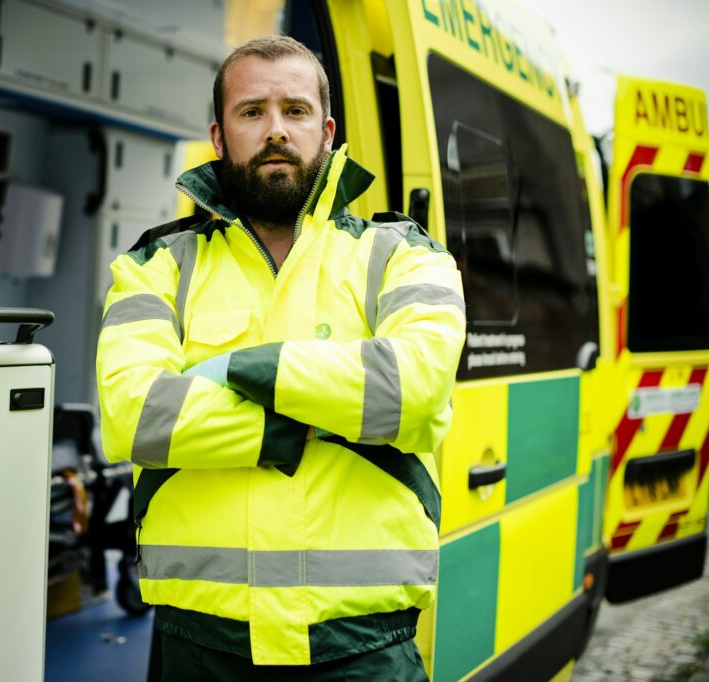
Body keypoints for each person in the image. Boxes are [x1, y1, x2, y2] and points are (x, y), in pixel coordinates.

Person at [96, 35, 466, 681]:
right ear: (219, 135)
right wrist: (318, 415)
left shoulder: (402, 256)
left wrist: (238, 371)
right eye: (251, 112)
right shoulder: (154, 268)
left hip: (363, 651)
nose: (275, 131)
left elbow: (415, 389)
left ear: (325, 131)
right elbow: (135, 417)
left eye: (294, 111)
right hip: (199, 647)